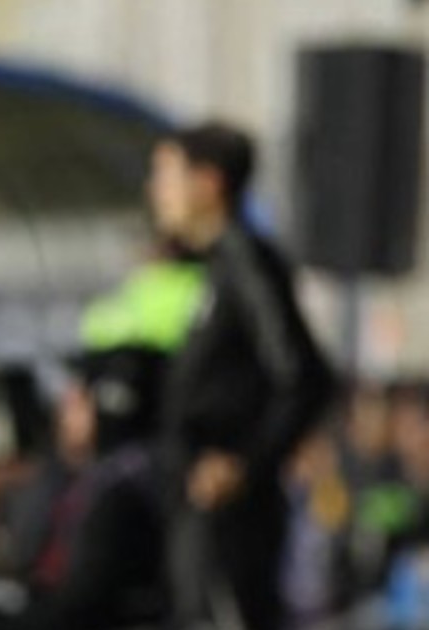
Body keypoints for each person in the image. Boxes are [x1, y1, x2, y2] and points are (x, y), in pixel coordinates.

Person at [149, 123, 335, 630]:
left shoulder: (247, 260)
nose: (156, 191)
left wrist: (244, 462)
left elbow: (305, 375)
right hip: (197, 507)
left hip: (230, 516)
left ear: (208, 183)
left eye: (166, 175)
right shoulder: (209, 267)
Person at [0, 347, 171, 630]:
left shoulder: (118, 495)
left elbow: (73, 613)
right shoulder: (97, 482)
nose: (63, 408)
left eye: (78, 398)